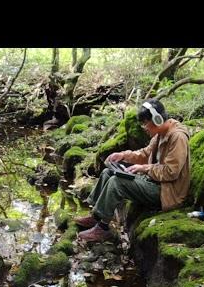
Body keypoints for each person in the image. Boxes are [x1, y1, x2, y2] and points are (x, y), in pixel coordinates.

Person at [75, 99, 191, 242]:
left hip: (167, 192)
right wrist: (123, 155)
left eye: (145, 124)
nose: (144, 128)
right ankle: (96, 217)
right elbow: (144, 154)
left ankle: (103, 229)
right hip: (154, 182)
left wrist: (145, 168)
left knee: (117, 182)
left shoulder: (177, 137)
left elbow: (171, 172)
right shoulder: (160, 134)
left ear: (157, 119)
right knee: (108, 172)